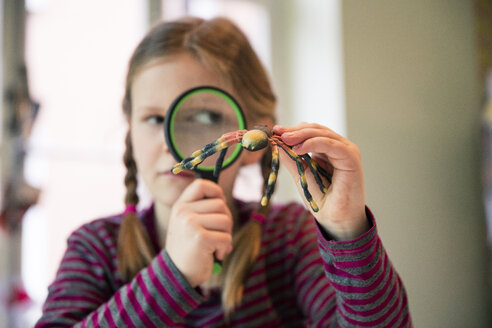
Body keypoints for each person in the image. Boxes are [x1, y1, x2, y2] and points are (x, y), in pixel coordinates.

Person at [36, 17, 411, 327]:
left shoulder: (289, 240)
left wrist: (348, 232)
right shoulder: (95, 249)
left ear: (253, 139)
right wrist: (172, 276)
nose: (170, 143)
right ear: (130, 133)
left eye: (204, 116)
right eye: (153, 118)